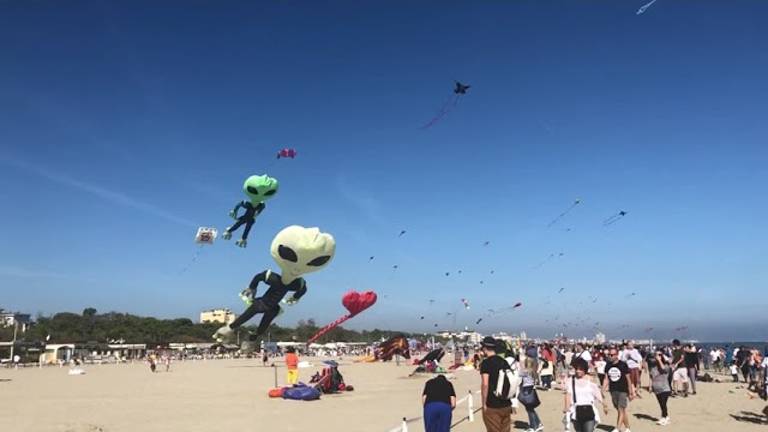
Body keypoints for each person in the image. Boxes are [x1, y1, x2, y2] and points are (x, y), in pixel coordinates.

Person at [480, 336, 515, 432]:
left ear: (485, 348)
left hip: (492, 404)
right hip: (506, 402)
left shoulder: (486, 363)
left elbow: (485, 384)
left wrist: (484, 404)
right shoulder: (504, 361)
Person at [564, 358, 605, 432]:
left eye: (580, 369)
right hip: (576, 411)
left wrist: (604, 404)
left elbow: (597, 393)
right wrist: (566, 407)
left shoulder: (591, 380)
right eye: (576, 369)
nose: (578, 371)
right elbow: (568, 394)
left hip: (589, 410)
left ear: (585, 369)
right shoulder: (571, 380)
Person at [603, 347, 634, 432]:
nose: (610, 356)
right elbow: (606, 378)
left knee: (621, 408)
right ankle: (627, 428)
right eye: (609, 354)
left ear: (617, 355)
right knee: (621, 410)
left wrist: (631, 392)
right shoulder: (608, 365)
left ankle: (617, 428)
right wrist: (603, 389)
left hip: (623, 390)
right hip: (613, 390)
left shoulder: (623, 364)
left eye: (612, 355)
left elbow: (628, 379)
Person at [649, 350, 672, 425]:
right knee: (661, 404)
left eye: (659, 355)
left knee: (663, 404)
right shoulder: (653, 366)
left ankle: (664, 417)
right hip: (656, 388)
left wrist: (659, 360)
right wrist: (650, 386)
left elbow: (663, 369)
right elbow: (651, 376)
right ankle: (666, 417)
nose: (657, 356)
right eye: (656, 355)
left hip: (665, 388)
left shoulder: (666, 365)